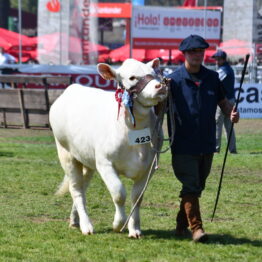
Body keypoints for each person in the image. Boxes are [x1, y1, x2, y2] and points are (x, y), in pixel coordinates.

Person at [167, 35, 239, 242]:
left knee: (196, 186)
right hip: (182, 143)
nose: (198, 55)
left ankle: (181, 225)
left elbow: (223, 103)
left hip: (207, 143)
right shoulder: (173, 81)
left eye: (200, 51)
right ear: (185, 54)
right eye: (193, 52)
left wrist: (231, 113)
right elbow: (158, 108)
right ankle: (197, 229)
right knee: (191, 184)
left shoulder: (212, 78)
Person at [212, 50, 237, 153]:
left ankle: (216, 149)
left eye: (218, 59)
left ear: (223, 59)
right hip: (230, 99)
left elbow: (214, 82)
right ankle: (232, 149)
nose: (216, 61)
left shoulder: (224, 70)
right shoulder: (228, 69)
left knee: (218, 124)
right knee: (229, 126)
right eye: (215, 59)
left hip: (224, 101)